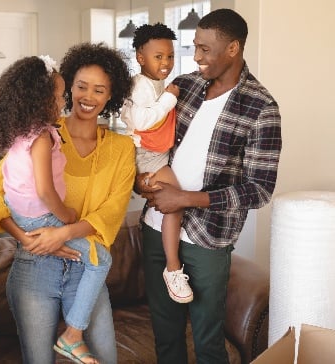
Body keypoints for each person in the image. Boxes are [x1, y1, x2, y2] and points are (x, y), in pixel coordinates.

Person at [135, 9, 282, 363]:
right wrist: (141, 182)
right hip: (156, 226)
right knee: (166, 336)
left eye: (205, 49)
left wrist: (183, 198)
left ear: (232, 49)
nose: (196, 57)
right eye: (195, 47)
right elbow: (147, 140)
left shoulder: (261, 108)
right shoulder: (183, 87)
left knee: (208, 342)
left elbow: (259, 189)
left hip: (208, 238)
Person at [0, 42, 135, 364]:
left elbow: (111, 212)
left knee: (106, 359)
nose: (88, 96)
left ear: (111, 95)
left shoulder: (122, 149)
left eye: (99, 89)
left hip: (85, 274)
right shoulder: (41, 134)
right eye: (81, 86)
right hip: (34, 269)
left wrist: (62, 234)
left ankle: (73, 336)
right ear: (67, 89)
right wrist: (25, 237)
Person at [120, 23, 193, 304]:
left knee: (166, 200)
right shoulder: (141, 85)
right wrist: (170, 98)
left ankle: (171, 263)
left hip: (154, 153)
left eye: (170, 56)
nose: (165, 63)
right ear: (140, 57)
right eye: (158, 56)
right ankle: (173, 268)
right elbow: (143, 121)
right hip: (147, 155)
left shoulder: (154, 83)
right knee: (175, 202)